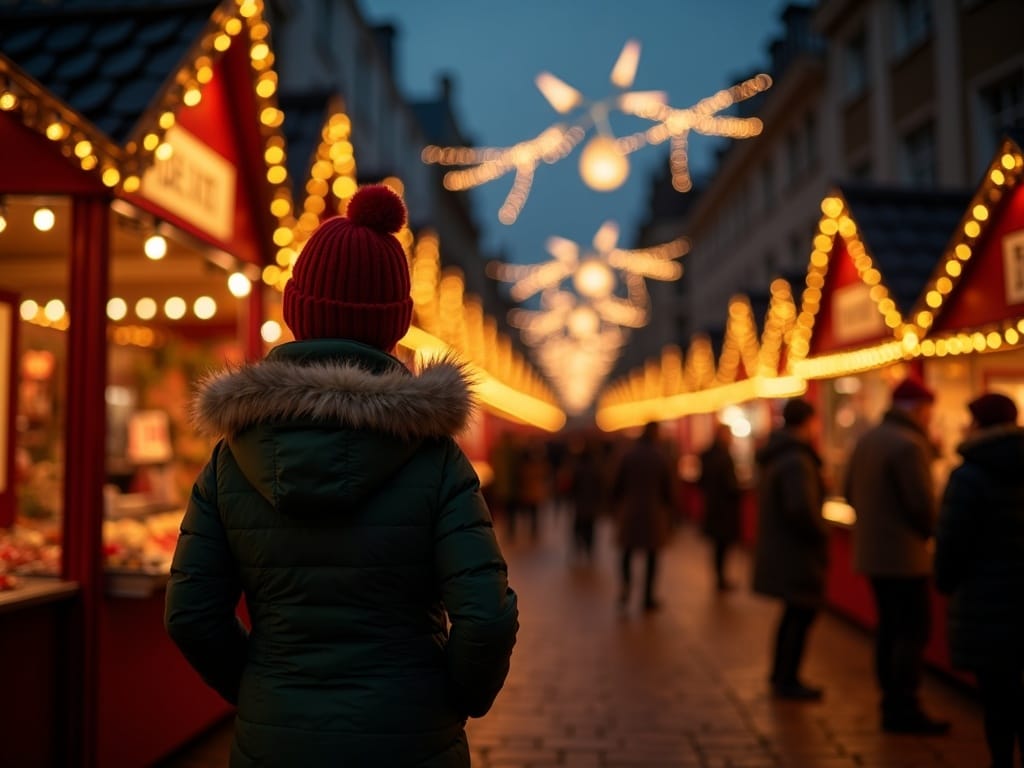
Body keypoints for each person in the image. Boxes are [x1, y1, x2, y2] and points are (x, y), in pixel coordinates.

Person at [164, 185, 519, 767]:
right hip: (410, 737)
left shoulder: (232, 458)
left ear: (296, 311)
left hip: (275, 741)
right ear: (397, 322)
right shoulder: (434, 458)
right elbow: (484, 615)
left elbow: (190, 613)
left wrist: (260, 689)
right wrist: (452, 699)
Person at [844, 375, 949, 735]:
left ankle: (890, 701)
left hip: (873, 553)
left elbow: (849, 492)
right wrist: (935, 533)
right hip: (905, 557)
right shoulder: (908, 446)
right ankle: (905, 707)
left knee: (888, 629)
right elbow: (922, 506)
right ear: (919, 410)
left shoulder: (868, 439)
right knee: (912, 631)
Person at [935, 392, 1024, 768]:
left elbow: (953, 540)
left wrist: (945, 580)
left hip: (987, 600)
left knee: (998, 699)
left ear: (981, 424)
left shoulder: (969, 475)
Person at [752, 398, 828, 700]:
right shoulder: (797, 460)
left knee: (792, 613)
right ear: (807, 422)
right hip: (796, 552)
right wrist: (820, 534)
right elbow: (800, 509)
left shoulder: (778, 455)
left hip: (782, 549)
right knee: (800, 613)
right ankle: (788, 678)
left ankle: (781, 674)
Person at [611, 421, 675, 612]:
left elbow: (617, 485)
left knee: (627, 552)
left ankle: (625, 588)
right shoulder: (661, 457)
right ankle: (647, 597)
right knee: (652, 556)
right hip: (653, 514)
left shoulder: (628, 455)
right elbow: (668, 490)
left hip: (630, 512)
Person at [698, 421, 742, 591]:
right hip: (725, 509)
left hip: (712, 505)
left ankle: (719, 577)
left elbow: (701, 481)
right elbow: (730, 484)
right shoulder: (724, 457)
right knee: (723, 545)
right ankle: (721, 579)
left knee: (718, 546)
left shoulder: (707, 455)